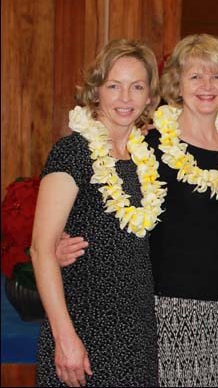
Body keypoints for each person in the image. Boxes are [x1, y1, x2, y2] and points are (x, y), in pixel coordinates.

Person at [56, 34, 218, 387]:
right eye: (195, 76)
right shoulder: (144, 145)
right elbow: (100, 208)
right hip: (167, 313)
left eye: (217, 76)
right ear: (177, 84)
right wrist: (59, 244)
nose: (207, 86)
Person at [31, 39, 165, 386]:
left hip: (136, 331)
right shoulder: (72, 152)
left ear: (150, 96)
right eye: (114, 86)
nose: (125, 98)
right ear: (96, 91)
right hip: (83, 326)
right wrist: (65, 339)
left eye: (137, 87)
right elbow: (41, 249)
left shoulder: (144, 158)